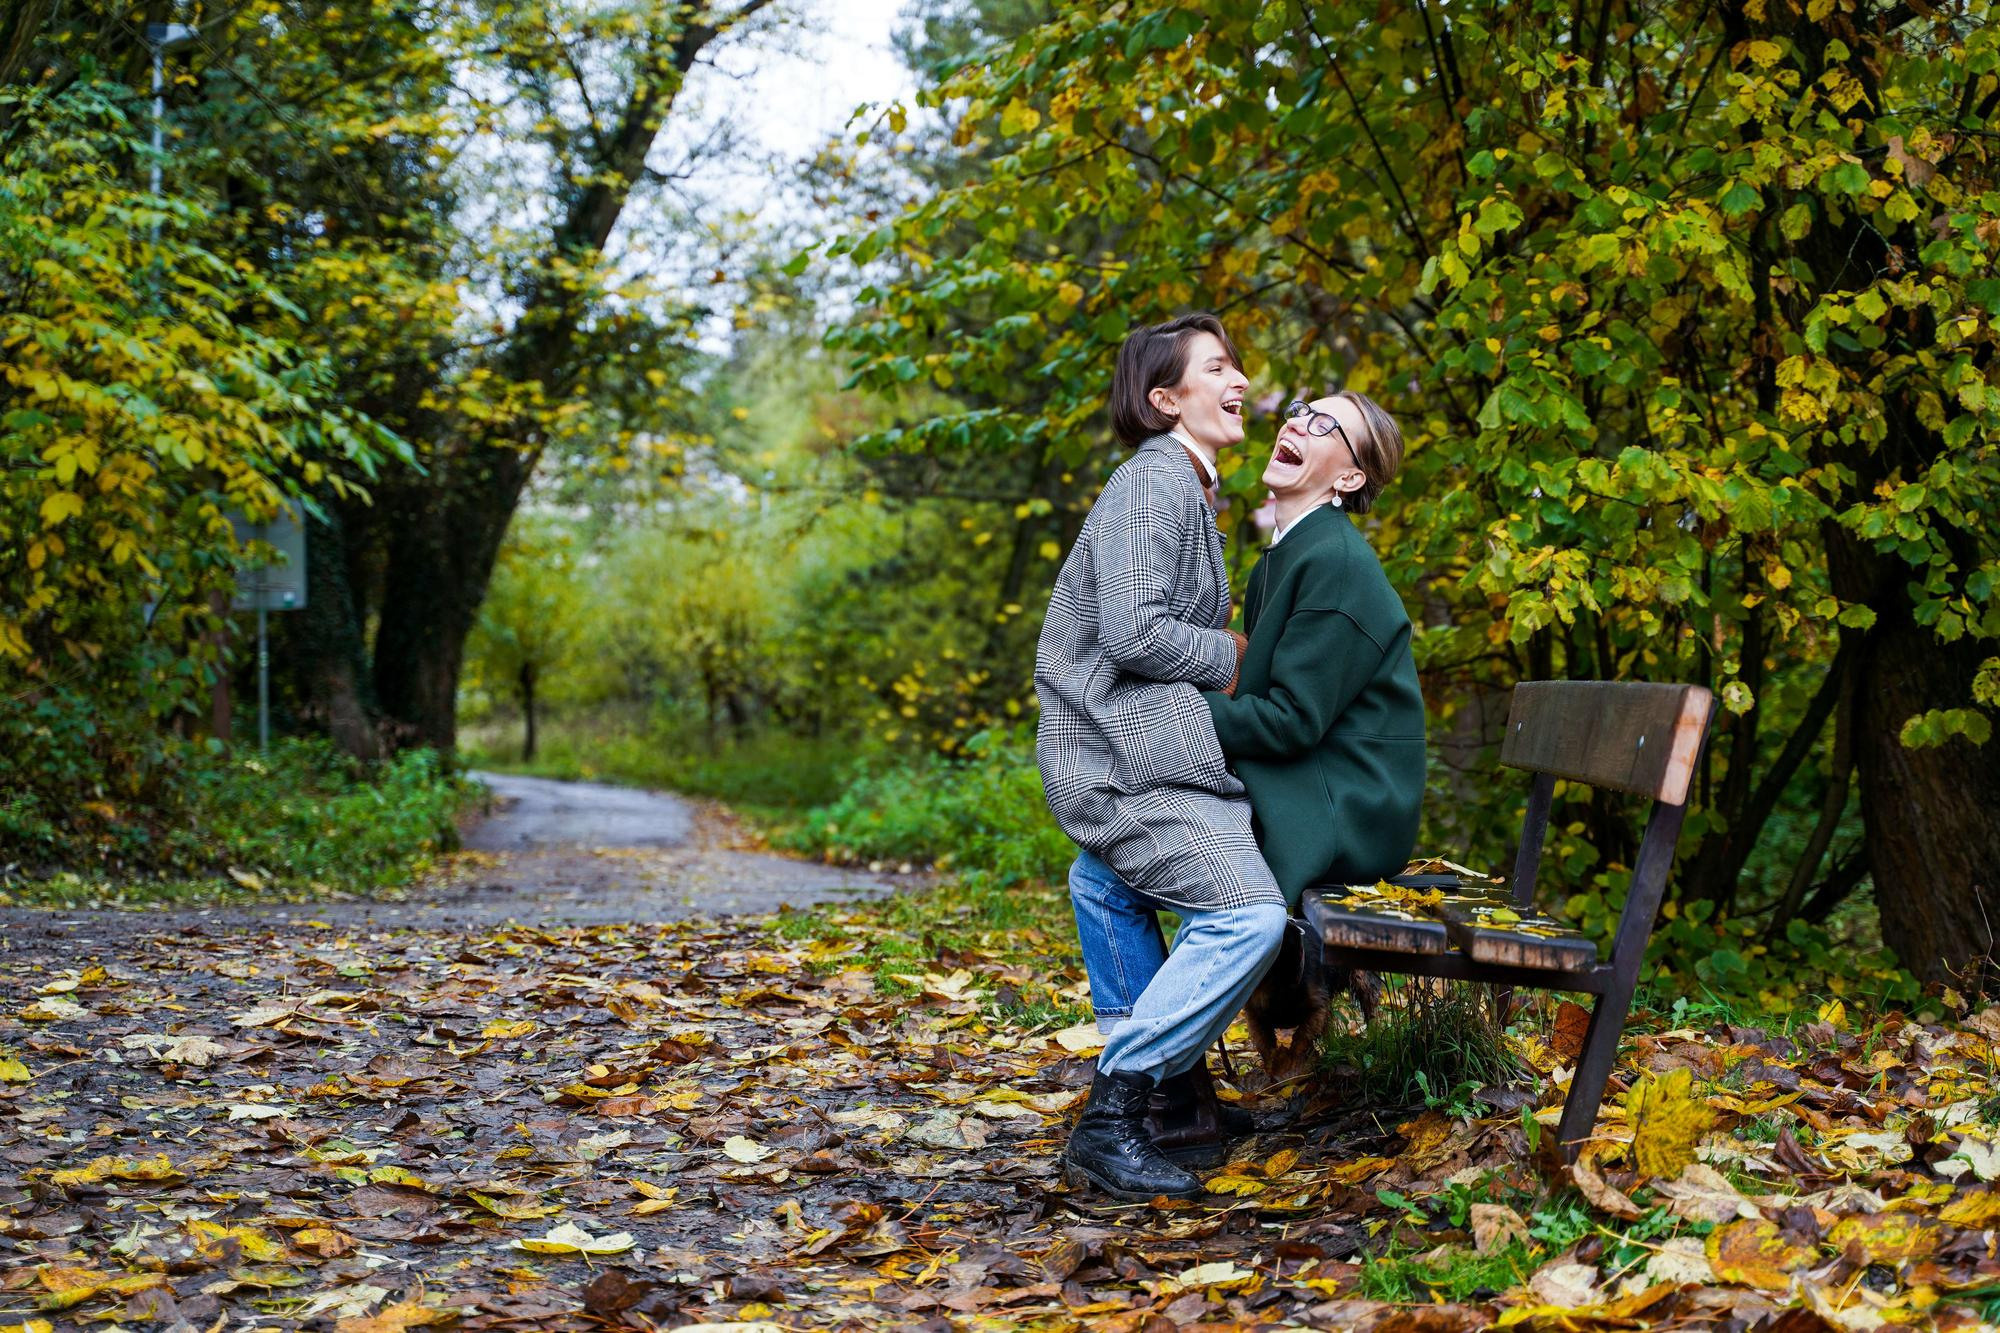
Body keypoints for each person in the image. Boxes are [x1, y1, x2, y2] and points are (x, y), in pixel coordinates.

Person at [1062, 389, 1426, 1145]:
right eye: (1300, 410)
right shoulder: (1288, 556)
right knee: (1098, 874)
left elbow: (1293, 719)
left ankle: (1132, 1100)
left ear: (1349, 479)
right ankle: (1174, 1095)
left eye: (1326, 426)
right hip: (1301, 776)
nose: (1298, 423)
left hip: (1343, 799)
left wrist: (1165, 723)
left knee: (1116, 879)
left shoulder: (1336, 564)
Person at [1035, 313, 1289, 1202]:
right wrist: (1240, 657)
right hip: (1119, 752)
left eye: (1237, 364)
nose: (1241, 379)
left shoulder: (1185, 484)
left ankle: (1178, 1104)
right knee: (1249, 919)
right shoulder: (1155, 485)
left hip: (1134, 742)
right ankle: (1116, 1113)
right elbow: (1134, 631)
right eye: (1217, 367)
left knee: (1105, 882)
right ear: (1164, 398)